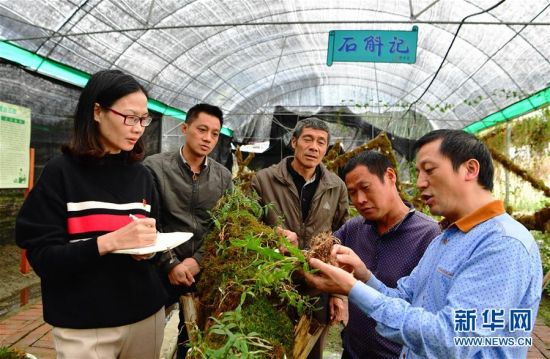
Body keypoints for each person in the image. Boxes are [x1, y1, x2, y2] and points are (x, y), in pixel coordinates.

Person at [306, 129, 543, 359]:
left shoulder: (502, 245)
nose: (419, 183)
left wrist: (353, 288)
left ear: (470, 169)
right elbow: (405, 298)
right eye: (418, 172)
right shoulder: (446, 239)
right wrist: (364, 277)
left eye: (429, 170)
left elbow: (450, 341)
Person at [15, 69, 167, 358]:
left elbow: (154, 238)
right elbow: (43, 257)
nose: (138, 128)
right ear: (97, 111)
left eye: (144, 119)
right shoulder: (60, 173)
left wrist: (150, 250)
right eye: (130, 117)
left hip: (145, 315)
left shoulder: (142, 176)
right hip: (86, 325)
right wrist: (108, 243)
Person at [251, 117, 349, 359]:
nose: (314, 147)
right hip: (275, 284)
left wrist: (338, 293)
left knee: (312, 351)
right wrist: (274, 237)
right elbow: (246, 228)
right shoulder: (264, 180)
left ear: (326, 148)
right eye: (308, 139)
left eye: (321, 142)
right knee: (269, 349)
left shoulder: (335, 186)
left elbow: (342, 237)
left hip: (318, 288)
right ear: (294, 142)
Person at [143, 103, 232, 358]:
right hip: (159, 269)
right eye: (202, 129)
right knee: (149, 334)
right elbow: (150, 222)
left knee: (193, 337)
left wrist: (198, 261)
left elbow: (224, 226)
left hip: (202, 273)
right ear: (185, 128)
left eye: (215, 133)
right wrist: (170, 263)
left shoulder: (223, 177)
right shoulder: (156, 167)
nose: (207, 138)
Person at [335, 150, 440, 358]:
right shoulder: (354, 228)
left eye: (366, 188)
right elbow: (322, 249)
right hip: (352, 351)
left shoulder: (429, 235)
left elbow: (427, 309)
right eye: (352, 193)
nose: (360, 199)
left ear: (390, 177)